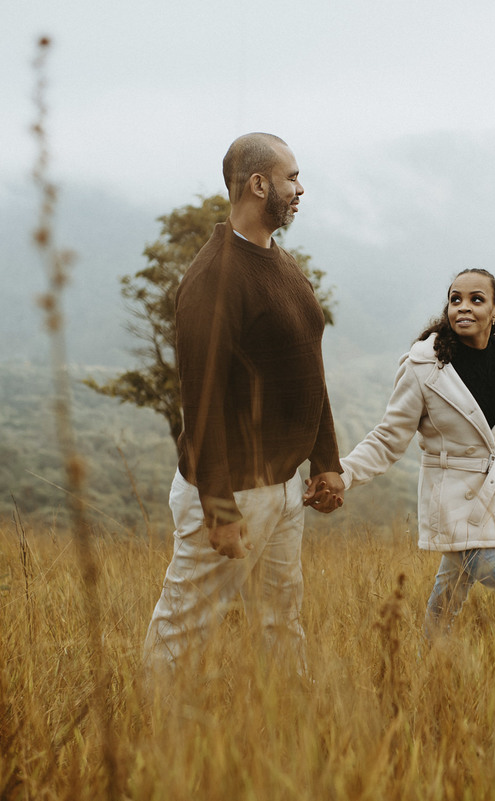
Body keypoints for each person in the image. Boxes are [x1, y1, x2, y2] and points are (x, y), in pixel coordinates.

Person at [142, 133, 344, 678]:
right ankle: (158, 738)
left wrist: (326, 460)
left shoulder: (279, 262)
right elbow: (199, 402)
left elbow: (308, 362)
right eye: (292, 178)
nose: (300, 190)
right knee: (184, 623)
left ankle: (290, 734)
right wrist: (219, 509)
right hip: (234, 493)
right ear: (258, 185)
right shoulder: (213, 279)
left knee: (281, 622)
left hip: (282, 491)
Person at [308, 268, 495, 685]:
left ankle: (422, 689)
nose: (463, 306)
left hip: (494, 511)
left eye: (476, 300)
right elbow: (388, 438)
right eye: (455, 298)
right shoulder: (425, 368)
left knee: (442, 614)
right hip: (457, 511)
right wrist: (342, 474)